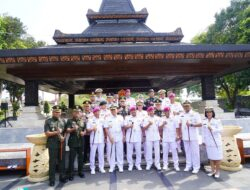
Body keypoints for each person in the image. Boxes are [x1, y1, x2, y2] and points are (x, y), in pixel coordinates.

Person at [44, 105, 68, 186]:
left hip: (61, 144)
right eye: (56, 112)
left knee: (62, 161)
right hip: (52, 145)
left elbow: (65, 132)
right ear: (53, 112)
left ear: (60, 112)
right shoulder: (48, 121)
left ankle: (62, 176)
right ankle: (52, 179)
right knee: (52, 162)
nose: (57, 113)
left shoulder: (63, 121)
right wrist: (56, 132)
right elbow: (47, 133)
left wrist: (63, 138)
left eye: (59, 112)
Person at [179, 100, 202, 174]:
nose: (186, 107)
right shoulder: (182, 115)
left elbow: (200, 124)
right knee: (187, 152)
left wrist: (191, 124)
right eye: (185, 106)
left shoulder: (195, 114)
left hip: (193, 136)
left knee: (195, 152)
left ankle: (196, 167)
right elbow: (180, 125)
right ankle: (189, 165)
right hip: (185, 136)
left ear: (190, 106)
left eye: (187, 106)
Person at [202, 107, 223, 178]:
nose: (208, 114)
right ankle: (212, 170)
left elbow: (220, 129)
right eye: (207, 112)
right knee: (211, 158)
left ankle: (217, 171)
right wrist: (203, 141)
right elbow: (203, 132)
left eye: (210, 112)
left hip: (216, 142)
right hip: (208, 142)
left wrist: (212, 129)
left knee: (217, 158)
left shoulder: (217, 121)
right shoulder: (204, 121)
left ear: (212, 113)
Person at [66, 105, 86, 181]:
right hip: (73, 142)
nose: (77, 113)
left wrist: (83, 133)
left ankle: (80, 172)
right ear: (73, 113)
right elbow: (67, 130)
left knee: (80, 158)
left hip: (81, 142)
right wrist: (73, 128)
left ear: (81, 113)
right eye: (75, 112)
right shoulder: (69, 121)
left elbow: (85, 130)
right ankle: (71, 173)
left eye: (78, 112)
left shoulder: (83, 121)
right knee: (71, 158)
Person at [104, 105, 125, 173]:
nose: (113, 111)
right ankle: (112, 166)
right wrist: (109, 137)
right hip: (111, 135)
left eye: (114, 109)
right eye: (112, 110)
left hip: (119, 135)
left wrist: (123, 136)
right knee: (111, 152)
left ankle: (120, 166)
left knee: (120, 152)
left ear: (117, 110)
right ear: (110, 111)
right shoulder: (107, 118)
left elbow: (123, 127)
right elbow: (106, 128)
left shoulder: (120, 117)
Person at [159, 107, 180, 171]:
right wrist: (163, 124)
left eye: (167, 111)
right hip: (165, 138)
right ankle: (165, 165)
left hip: (172, 138)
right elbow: (160, 128)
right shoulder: (162, 119)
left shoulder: (174, 118)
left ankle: (176, 165)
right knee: (165, 152)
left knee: (174, 152)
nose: (166, 112)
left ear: (169, 111)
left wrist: (177, 136)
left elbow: (177, 128)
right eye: (165, 111)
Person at [87, 107, 106, 174]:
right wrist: (92, 129)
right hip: (93, 140)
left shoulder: (102, 119)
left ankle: (101, 167)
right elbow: (87, 130)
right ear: (94, 113)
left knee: (101, 154)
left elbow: (105, 128)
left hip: (101, 139)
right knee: (92, 154)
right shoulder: (90, 120)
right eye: (96, 112)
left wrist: (105, 137)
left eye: (98, 111)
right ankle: (92, 168)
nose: (97, 113)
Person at [124, 106, 143, 171]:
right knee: (129, 152)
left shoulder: (140, 118)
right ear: (130, 112)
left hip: (138, 137)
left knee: (138, 152)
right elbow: (124, 127)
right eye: (132, 110)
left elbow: (142, 127)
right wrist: (129, 126)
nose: (133, 111)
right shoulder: (127, 118)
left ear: (136, 111)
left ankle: (138, 164)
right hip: (129, 137)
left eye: (134, 110)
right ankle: (130, 164)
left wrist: (143, 136)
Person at [143, 106, 161, 171]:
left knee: (157, 151)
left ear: (154, 111)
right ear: (148, 112)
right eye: (150, 111)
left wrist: (161, 135)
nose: (151, 112)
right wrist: (149, 124)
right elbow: (144, 128)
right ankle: (149, 163)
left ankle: (157, 164)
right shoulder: (145, 119)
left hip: (156, 136)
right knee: (149, 151)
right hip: (149, 137)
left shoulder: (158, 118)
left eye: (152, 110)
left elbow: (160, 128)